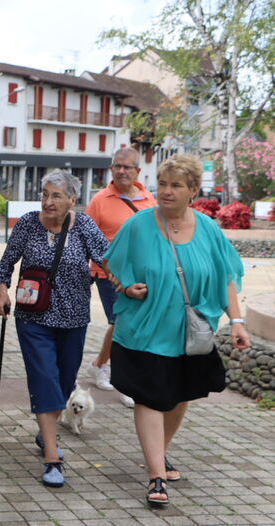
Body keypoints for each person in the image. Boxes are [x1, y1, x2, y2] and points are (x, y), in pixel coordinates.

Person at [103, 154, 250, 507]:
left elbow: (225, 276)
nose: (166, 191)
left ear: (193, 191)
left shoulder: (208, 229)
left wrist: (238, 320)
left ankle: (159, 453)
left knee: (180, 394)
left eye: (176, 186)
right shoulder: (139, 225)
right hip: (144, 329)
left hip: (188, 334)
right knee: (150, 396)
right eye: (163, 184)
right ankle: (155, 474)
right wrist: (125, 287)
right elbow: (110, 262)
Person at [0, 169, 109, 488]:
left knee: (63, 382)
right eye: (45, 194)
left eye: (56, 195)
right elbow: (6, 264)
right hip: (33, 318)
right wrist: (3, 291)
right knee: (44, 380)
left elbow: (107, 258)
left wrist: (126, 284)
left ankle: (45, 432)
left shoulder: (83, 224)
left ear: (72, 199)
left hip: (74, 319)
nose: (48, 201)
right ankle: (52, 458)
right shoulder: (29, 223)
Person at [85, 147, 156, 407]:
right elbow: (85, 239)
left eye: (127, 167)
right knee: (122, 322)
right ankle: (126, 381)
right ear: (111, 169)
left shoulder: (149, 199)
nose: (122, 171)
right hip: (109, 274)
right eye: (117, 166)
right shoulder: (100, 200)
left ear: (138, 171)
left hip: (144, 274)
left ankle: (99, 364)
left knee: (127, 323)